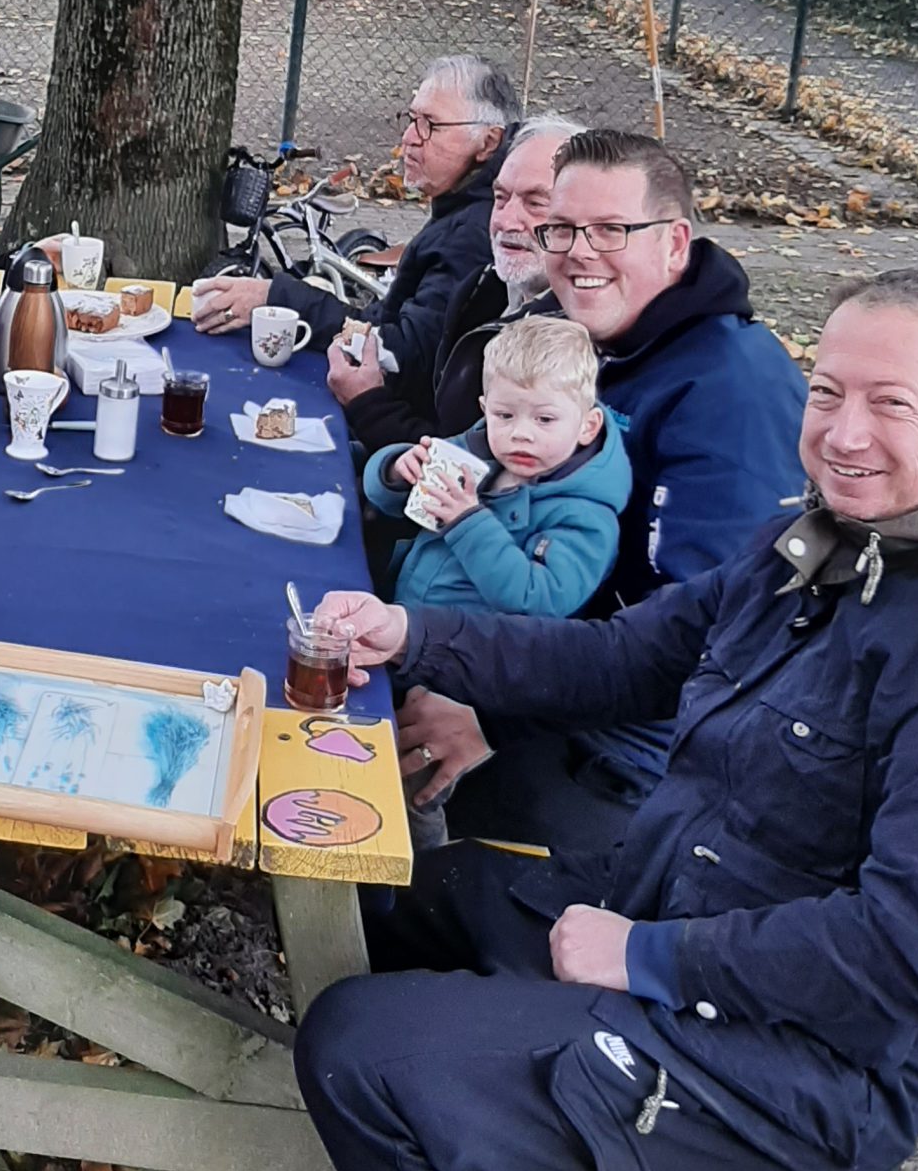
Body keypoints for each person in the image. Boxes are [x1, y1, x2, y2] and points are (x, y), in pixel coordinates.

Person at [289, 274, 918, 1171]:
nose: (845, 431)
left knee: (357, 1046)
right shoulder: (825, 543)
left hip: (796, 1074)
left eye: (890, 403)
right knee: (405, 897)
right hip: (667, 919)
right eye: (827, 393)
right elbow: (620, 657)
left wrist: (645, 958)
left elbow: (917, 952)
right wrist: (413, 635)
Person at [411, 127, 806, 846]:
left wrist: (492, 718)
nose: (578, 252)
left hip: (631, 746)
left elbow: (704, 640)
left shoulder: (734, 393)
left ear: (675, 243)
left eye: (611, 230)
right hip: (524, 644)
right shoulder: (571, 329)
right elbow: (471, 456)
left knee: (407, 824)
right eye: (561, 229)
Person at [192, 58, 519, 434]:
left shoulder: (475, 232)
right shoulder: (462, 207)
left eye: (431, 124)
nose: (409, 138)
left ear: (487, 142)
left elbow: (401, 353)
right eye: (411, 119)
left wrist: (277, 298)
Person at [330, 110, 580, 460]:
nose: (506, 220)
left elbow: (471, 470)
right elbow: (441, 423)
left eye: (536, 203)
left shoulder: (572, 341)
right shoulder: (483, 288)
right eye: (500, 197)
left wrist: (367, 403)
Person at [380, 317, 630, 621]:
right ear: (485, 410)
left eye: (544, 419)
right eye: (505, 415)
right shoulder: (476, 450)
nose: (520, 434)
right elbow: (387, 502)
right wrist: (396, 470)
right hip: (404, 612)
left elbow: (539, 599)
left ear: (587, 427)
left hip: (470, 646)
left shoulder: (585, 516)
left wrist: (468, 523)